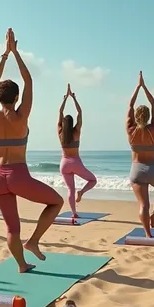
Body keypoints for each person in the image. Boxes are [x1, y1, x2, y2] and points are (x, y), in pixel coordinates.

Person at [0, 28, 63, 272]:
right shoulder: (21, 116)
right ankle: (33, 241)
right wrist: (16, 53)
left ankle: (21, 265)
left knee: (11, 228)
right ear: (17, 96)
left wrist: (4, 56)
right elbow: (29, 80)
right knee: (56, 202)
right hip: (18, 175)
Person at [126, 70, 154, 236]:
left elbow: (130, 105)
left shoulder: (130, 130)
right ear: (149, 116)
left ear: (135, 117)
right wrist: (144, 87)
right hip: (153, 169)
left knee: (143, 205)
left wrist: (137, 87)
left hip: (136, 170)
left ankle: (148, 234)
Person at [58, 84, 97, 217]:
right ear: (72, 122)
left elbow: (60, 112)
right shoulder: (76, 132)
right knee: (93, 180)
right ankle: (81, 192)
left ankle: (74, 213)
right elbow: (80, 113)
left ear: (63, 123)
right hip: (76, 162)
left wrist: (64, 99)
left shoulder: (60, 133)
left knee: (70, 189)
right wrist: (73, 98)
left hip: (64, 164)